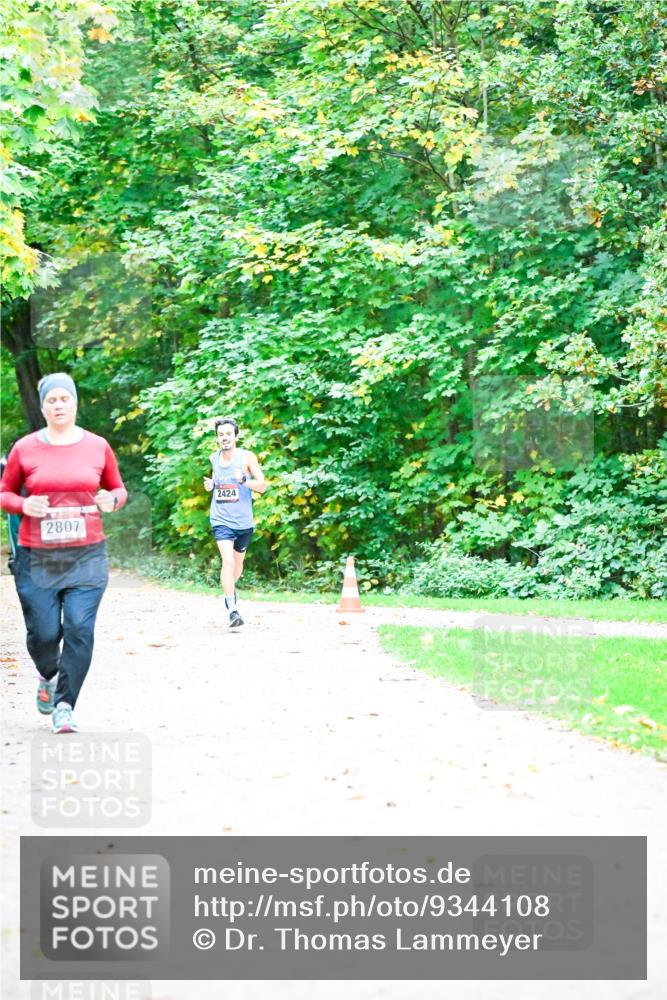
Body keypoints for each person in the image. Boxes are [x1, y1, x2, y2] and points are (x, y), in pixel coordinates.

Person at [0, 373, 127, 733]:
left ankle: (65, 704)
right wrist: (25, 505)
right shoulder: (25, 448)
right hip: (36, 556)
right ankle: (48, 674)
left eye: (64, 399)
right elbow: (4, 493)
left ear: (75, 403)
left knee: (79, 628)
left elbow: (118, 489)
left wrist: (111, 500)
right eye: (51, 400)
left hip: (86, 556)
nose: (58, 405)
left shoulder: (97, 446)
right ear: (42, 407)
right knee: (42, 634)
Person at [203, 417, 267, 628]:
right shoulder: (214, 458)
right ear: (217, 438)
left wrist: (244, 481)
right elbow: (217, 482)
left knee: (238, 565)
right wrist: (211, 485)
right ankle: (233, 610)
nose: (225, 438)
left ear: (236, 436)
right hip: (221, 519)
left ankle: (229, 590)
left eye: (228, 434)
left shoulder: (247, 457)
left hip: (243, 522)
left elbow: (262, 486)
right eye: (221, 435)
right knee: (228, 561)